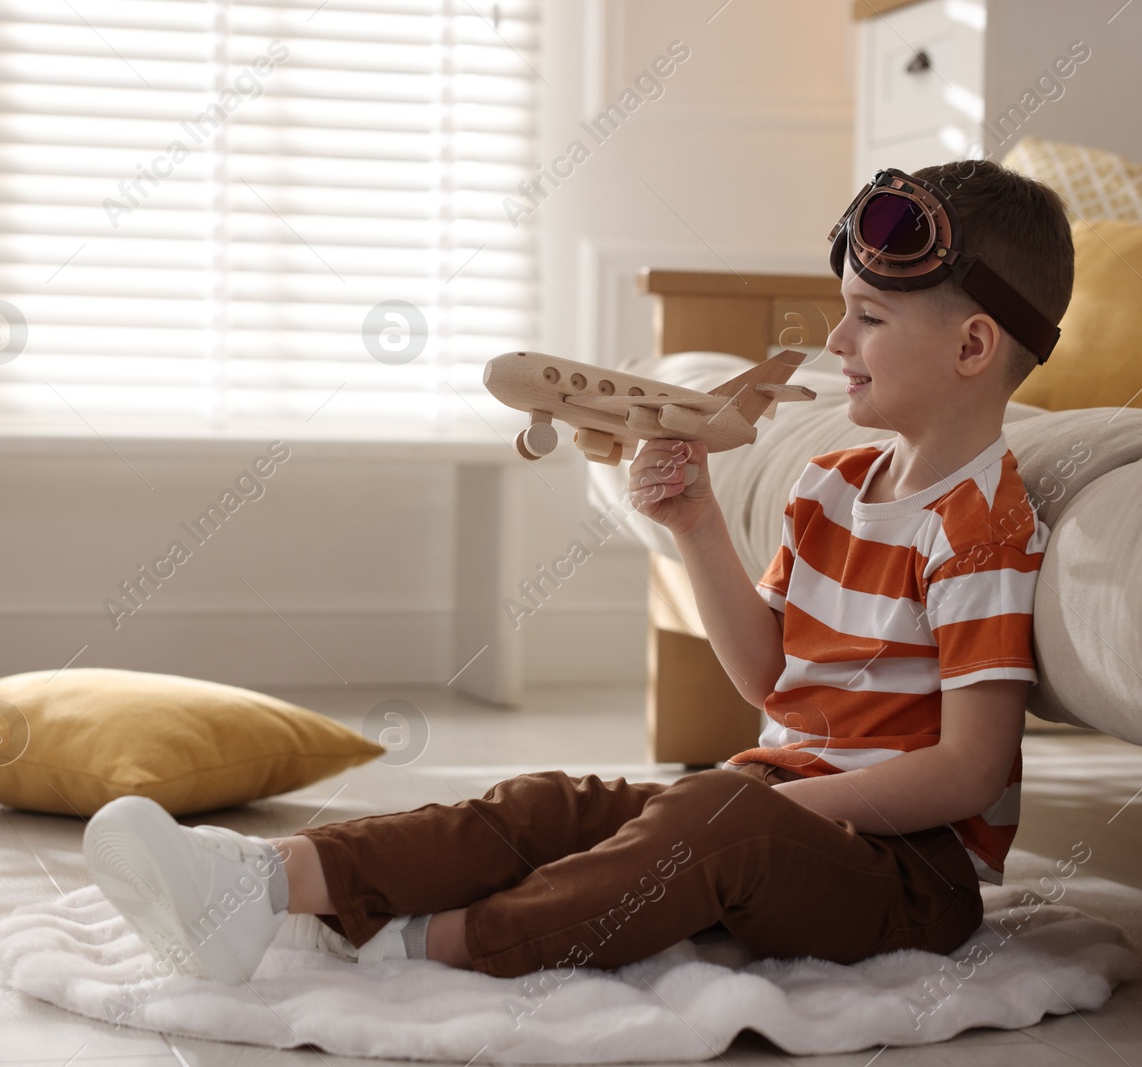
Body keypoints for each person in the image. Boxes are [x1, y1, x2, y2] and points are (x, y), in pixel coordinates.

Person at [82, 159, 1074, 986]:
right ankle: (261, 885)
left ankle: (427, 946)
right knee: (555, 802)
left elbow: (969, 769)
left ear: (973, 344)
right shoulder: (830, 483)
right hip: (770, 798)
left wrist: (768, 808)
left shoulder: (982, 525)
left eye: (867, 318)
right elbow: (776, 682)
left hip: (907, 874)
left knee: (703, 814)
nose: (834, 341)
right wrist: (692, 523)